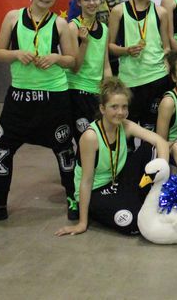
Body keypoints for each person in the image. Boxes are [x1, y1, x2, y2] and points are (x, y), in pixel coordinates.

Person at [0, 0, 78, 226]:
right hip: (19, 98)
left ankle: (74, 201)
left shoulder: (60, 24)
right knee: (1, 148)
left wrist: (55, 58)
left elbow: (73, 60)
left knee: (64, 150)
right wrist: (17, 53)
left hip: (53, 98)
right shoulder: (13, 17)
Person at [55, 77, 170, 236]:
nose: (120, 112)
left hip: (118, 180)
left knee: (150, 148)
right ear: (102, 109)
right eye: (114, 107)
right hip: (96, 190)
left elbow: (161, 142)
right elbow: (86, 181)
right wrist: (82, 223)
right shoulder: (90, 137)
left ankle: (151, 197)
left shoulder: (126, 125)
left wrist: (163, 173)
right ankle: (109, 208)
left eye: (124, 107)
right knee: (134, 223)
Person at [108, 0, 170, 132]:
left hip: (156, 78)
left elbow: (166, 46)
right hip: (129, 80)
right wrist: (126, 50)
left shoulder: (161, 12)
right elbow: (110, 47)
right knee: (127, 131)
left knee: (152, 130)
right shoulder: (118, 11)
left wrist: (166, 64)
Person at [66, 0, 112, 138]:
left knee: (100, 140)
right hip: (77, 91)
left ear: (100, 0)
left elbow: (105, 65)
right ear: (79, 2)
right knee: (85, 140)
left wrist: (109, 90)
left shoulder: (104, 29)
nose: (91, 3)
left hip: (96, 93)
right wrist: (84, 43)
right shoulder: (73, 27)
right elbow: (74, 67)